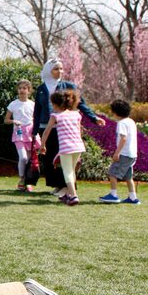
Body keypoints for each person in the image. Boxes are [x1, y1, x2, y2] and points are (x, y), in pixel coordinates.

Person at [32, 59, 104, 196]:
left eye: (61, 69)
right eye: (55, 69)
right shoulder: (41, 89)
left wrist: (94, 118)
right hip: (45, 127)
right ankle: (57, 185)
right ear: (48, 70)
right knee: (50, 159)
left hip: (63, 127)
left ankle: (67, 187)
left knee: (64, 159)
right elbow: (37, 110)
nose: (59, 71)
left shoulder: (68, 86)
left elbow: (81, 104)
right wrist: (34, 131)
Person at [40, 89, 85, 206]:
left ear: (55, 104)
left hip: (66, 147)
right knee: (72, 170)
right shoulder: (76, 114)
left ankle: (74, 196)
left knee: (67, 171)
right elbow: (79, 131)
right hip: (78, 146)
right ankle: (69, 194)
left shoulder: (55, 116)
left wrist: (42, 145)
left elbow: (46, 132)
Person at [99, 99, 141, 205]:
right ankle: (133, 198)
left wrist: (117, 153)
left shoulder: (121, 123)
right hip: (132, 154)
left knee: (112, 173)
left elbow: (123, 138)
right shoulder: (131, 121)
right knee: (128, 177)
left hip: (124, 154)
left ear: (115, 112)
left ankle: (113, 195)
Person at [5, 79, 37, 191]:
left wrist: (36, 134)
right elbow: (6, 120)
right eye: (20, 88)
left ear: (29, 91)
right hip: (18, 133)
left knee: (28, 160)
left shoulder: (33, 104)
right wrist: (14, 121)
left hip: (30, 133)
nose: (22, 90)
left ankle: (27, 182)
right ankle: (21, 179)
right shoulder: (13, 104)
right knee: (22, 157)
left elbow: (36, 119)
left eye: (24, 88)